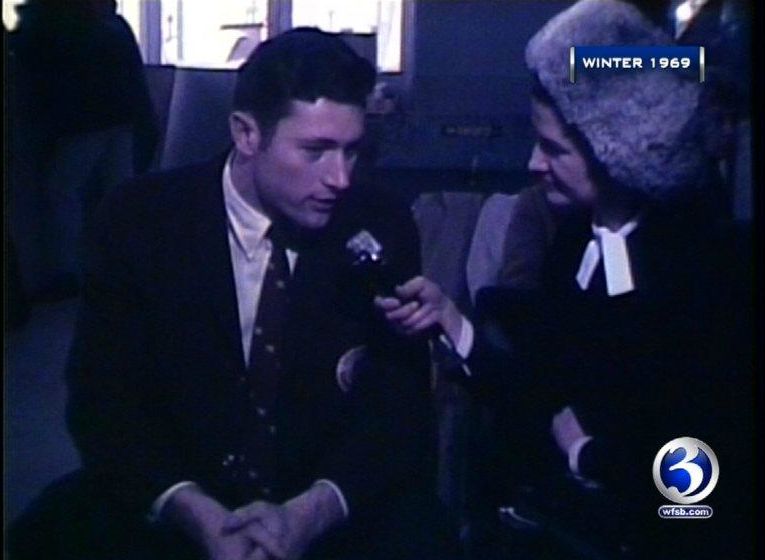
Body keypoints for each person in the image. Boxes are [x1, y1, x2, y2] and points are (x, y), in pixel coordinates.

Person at [9, 28, 457, 560]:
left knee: (425, 538)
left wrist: (312, 512)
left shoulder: (380, 221)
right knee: (49, 533)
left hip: (320, 492)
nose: (340, 178)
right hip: (182, 487)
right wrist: (191, 509)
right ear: (246, 134)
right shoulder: (139, 220)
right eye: (315, 151)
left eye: (351, 151)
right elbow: (102, 397)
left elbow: (395, 404)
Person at [378, 1, 753, 558]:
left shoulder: (710, 273)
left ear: (617, 150)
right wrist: (452, 322)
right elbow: (541, 387)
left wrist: (588, 456)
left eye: (554, 149)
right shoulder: (573, 240)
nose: (533, 163)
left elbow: (701, 483)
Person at [8, 0, 158, 297]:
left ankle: (65, 272)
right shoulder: (111, 27)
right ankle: (127, 267)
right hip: (119, 118)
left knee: (63, 194)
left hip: (80, 124)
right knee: (119, 194)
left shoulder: (51, 25)